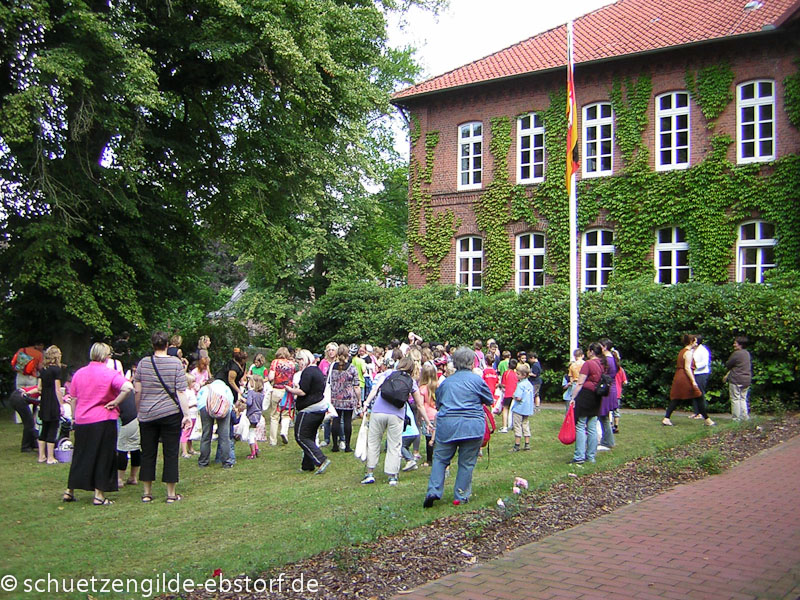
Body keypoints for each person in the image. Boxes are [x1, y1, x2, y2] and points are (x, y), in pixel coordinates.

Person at [63, 343, 133, 505]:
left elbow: (73, 398)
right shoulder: (110, 373)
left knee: (80, 455)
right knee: (104, 456)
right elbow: (127, 387)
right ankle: (99, 495)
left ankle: (69, 491)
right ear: (106, 356)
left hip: (82, 419)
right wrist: (116, 402)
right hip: (103, 419)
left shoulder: (79, 373)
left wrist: (74, 417)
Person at [423, 346, 492, 507]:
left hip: (447, 425)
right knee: (466, 462)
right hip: (472, 426)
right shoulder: (477, 380)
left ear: (454, 363)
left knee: (440, 459)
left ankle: (433, 491)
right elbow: (489, 399)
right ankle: (460, 496)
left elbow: (439, 403)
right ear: (472, 363)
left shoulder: (446, 382)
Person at [135, 331, 193, 503]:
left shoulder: (144, 363)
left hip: (147, 413)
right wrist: (187, 415)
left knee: (147, 453)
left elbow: (137, 390)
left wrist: (138, 410)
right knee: (170, 452)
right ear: (167, 345)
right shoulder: (175, 363)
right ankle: (171, 494)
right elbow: (181, 392)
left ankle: (147, 492)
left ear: (153, 345)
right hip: (170, 413)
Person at [361, 356, 428, 486]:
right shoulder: (411, 381)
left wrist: (366, 403)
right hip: (397, 414)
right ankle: (392, 476)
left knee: (373, 442)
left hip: (378, 411)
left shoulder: (388, 373)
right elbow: (419, 405)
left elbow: (375, 389)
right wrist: (427, 421)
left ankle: (369, 473)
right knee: (395, 444)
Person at [284, 349, 330, 474]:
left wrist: (290, 390)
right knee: (309, 436)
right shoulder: (316, 370)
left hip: (309, 409)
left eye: (299, 360)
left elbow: (303, 391)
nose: (298, 363)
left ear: (305, 359)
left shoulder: (308, 372)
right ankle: (307, 465)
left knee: (301, 436)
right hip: (319, 408)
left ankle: (321, 460)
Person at [663, 334, 715, 427]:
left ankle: (667, 418)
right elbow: (687, 368)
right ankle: (707, 420)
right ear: (691, 342)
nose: (696, 343)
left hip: (679, 376)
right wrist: (693, 381)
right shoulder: (688, 353)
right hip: (685, 377)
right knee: (698, 396)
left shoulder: (682, 351)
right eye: (695, 342)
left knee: (677, 398)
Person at [568, 343, 606, 465]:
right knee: (592, 426)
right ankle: (591, 456)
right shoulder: (602, 364)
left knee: (580, 425)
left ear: (591, 352)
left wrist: (573, 397)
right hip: (597, 396)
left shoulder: (588, 364)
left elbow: (580, 383)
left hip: (586, 395)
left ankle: (579, 455)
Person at [37, 345, 65, 464]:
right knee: (53, 428)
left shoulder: (43, 369)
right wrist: (61, 404)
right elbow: (57, 389)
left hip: (44, 401)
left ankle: (41, 456)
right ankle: (50, 457)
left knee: (44, 428)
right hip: (53, 401)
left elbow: (39, 387)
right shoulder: (56, 370)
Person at [329, 344, 360, 453]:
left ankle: (335, 445)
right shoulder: (352, 368)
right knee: (347, 421)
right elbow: (356, 386)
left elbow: (328, 381)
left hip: (335, 397)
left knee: (335, 420)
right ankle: (347, 446)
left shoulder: (332, 367)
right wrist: (359, 400)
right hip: (348, 398)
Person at [267, 347, 295, 446]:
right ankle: (284, 432)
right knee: (286, 414)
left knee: (274, 416)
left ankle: (273, 440)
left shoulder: (275, 362)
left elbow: (271, 377)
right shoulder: (292, 364)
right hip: (287, 391)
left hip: (276, 390)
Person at [597, 339, 620, 450]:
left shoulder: (606, 360)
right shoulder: (613, 358)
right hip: (611, 389)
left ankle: (608, 441)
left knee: (603, 416)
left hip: (606, 390)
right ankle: (606, 440)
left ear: (605, 347)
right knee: (604, 416)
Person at [723, 336, 752, 421]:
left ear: (740, 345)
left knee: (735, 399)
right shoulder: (747, 353)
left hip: (736, 379)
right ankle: (745, 417)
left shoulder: (736, 354)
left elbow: (728, 364)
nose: (734, 345)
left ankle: (736, 418)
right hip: (746, 379)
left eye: (735, 343)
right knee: (743, 398)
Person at [418, 363, 439, 467]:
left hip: (427, 415)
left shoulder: (422, 388)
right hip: (437, 413)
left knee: (428, 438)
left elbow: (420, 404)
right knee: (436, 436)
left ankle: (429, 460)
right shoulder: (438, 386)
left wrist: (419, 417)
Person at [510, 362, 534, 452]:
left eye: (518, 374)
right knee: (525, 424)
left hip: (519, 409)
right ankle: (527, 444)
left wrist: (514, 396)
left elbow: (518, 397)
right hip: (527, 409)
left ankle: (517, 445)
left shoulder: (520, 385)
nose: (516, 375)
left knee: (517, 425)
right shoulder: (529, 384)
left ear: (524, 375)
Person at [245, 374, 266, 459]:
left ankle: (253, 453)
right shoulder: (261, 394)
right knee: (253, 432)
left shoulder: (251, 392)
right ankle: (256, 449)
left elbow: (249, 403)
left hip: (251, 415)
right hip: (258, 415)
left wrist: (245, 400)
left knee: (250, 433)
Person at [691, 335, 711, 419]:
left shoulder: (703, 350)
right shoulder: (691, 350)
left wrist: (694, 366)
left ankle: (702, 413)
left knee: (700, 393)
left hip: (701, 373)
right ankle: (696, 412)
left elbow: (704, 363)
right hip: (693, 373)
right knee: (694, 393)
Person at [499, 358, 518, 433]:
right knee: (513, 410)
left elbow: (503, 384)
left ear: (508, 365)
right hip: (515, 393)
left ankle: (505, 427)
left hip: (507, 393)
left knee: (505, 409)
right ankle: (513, 425)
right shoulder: (516, 374)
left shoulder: (506, 373)